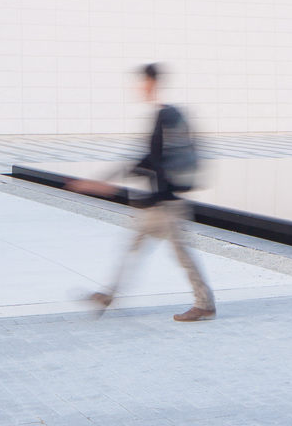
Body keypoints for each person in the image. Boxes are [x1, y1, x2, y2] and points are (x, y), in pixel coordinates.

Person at [87, 63, 215, 322]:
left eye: (143, 82)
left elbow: (152, 160)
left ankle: (205, 304)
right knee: (133, 247)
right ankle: (108, 294)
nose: (139, 87)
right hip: (159, 202)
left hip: (166, 203)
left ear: (151, 83)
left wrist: (109, 180)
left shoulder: (164, 115)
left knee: (181, 254)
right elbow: (149, 159)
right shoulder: (164, 115)